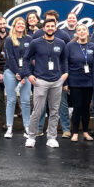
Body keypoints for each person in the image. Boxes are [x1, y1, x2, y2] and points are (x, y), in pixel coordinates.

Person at [22, 18, 67, 147]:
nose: (50, 28)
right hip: (40, 81)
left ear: (56, 28)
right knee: (38, 110)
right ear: (43, 28)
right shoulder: (35, 43)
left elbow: (64, 60)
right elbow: (26, 59)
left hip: (56, 81)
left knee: (54, 111)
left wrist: (65, 74)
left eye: (52, 26)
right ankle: (31, 136)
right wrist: (29, 74)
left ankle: (52, 137)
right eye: (48, 26)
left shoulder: (61, 43)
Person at [2, 17, 32, 138]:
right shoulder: (9, 40)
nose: (20, 25)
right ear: (14, 26)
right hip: (10, 72)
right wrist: (17, 73)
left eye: (22, 24)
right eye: (18, 24)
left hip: (25, 73)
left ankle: (27, 126)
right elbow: (10, 58)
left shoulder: (29, 39)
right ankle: (9, 128)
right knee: (11, 100)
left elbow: (29, 58)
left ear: (25, 26)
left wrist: (23, 73)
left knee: (25, 101)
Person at [66, 25, 94, 142]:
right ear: (76, 33)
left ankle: (85, 131)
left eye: (84, 30)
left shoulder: (93, 46)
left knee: (86, 108)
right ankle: (74, 132)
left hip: (89, 83)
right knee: (77, 107)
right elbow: (65, 64)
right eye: (79, 30)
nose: (82, 32)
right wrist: (66, 82)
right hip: (75, 82)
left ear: (88, 32)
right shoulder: (70, 46)